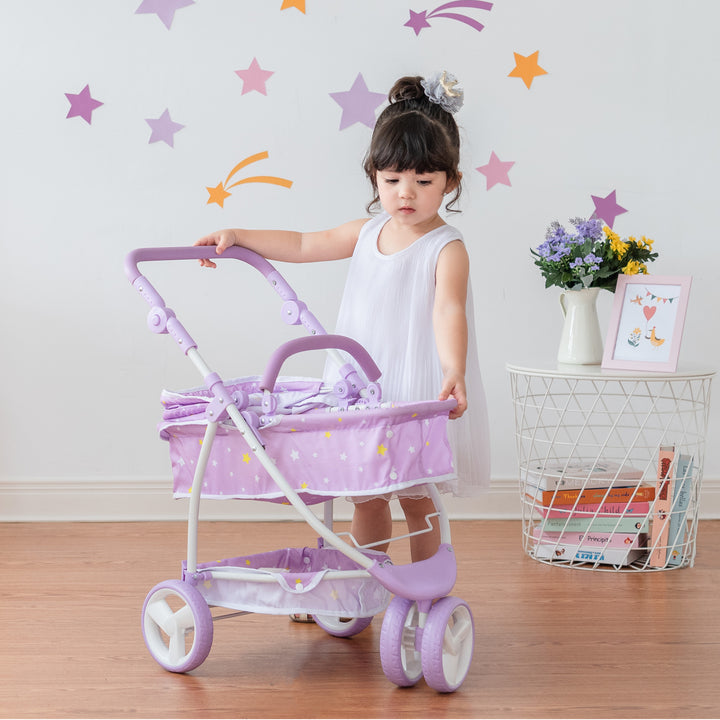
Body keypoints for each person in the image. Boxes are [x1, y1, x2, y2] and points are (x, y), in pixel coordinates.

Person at [195, 71, 490, 566]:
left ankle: (425, 584)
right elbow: (304, 244)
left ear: (450, 182)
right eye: (392, 180)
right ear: (374, 176)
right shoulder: (366, 231)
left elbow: (448, 310)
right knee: (366, 491)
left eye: (423, 181)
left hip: (414, 384)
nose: (406, 193)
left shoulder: (446, 247)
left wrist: (453, 369)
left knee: (417, 495)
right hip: (359, 385)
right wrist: (239, 234)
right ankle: (364, 578)